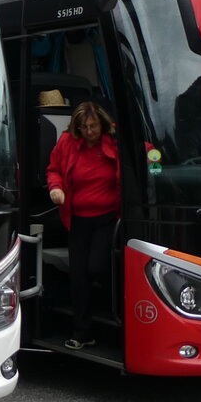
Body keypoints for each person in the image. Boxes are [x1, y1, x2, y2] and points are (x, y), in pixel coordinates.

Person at [46, 101, 120, 350]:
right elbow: (53, 169)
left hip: (107, 217)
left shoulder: (116, 140)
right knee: (78, 277)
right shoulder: (67, 142)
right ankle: (82, 332)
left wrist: (155, 170)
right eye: (84, 127)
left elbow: (150, 154)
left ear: (103, 123)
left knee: (96, 268)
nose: (89, 131)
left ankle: (116, 311)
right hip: (77, 219)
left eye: (93, 126)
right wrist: (55, 188)